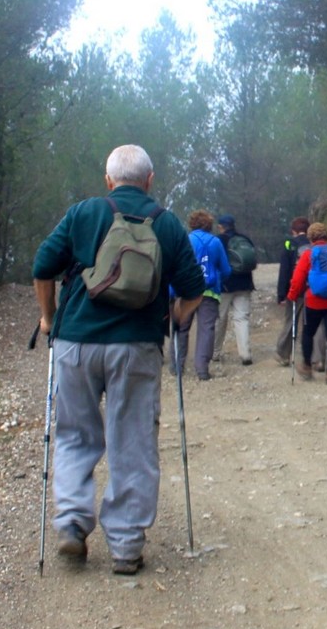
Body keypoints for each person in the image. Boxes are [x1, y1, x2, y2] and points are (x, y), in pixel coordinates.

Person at [32, 144, 205, 575]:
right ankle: (126, 545)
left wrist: (48, 318)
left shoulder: (84, 212)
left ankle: (72, 523)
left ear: (108, 180)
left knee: (75, 433)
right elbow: (194, 289)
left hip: (76, 341)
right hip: (137, 346)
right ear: (150, 180)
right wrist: (175, 317)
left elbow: (42, 266)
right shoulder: (166, 222)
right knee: (133, 440)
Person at [286, 222, 327, 384]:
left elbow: (298, 278)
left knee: (308, 333)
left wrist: (292, 295)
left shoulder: (309, 254)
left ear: (310, 238)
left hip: (314, 302)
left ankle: (307, 366)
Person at [173, 209, 229, 381]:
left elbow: (175, 266)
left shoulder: (184, 240)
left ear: (192, 224)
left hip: (186, 291)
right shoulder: (215, 242)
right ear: (209, 225)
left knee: (181, 328)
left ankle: (177, 366)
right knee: (206, 329)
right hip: (209, 292)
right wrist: (217, 279)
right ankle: (202, 369)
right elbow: (226, 270)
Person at [214, 214, 256, 366]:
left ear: (221, 227)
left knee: (220, 318)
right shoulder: (245, 239)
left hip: (225, 286)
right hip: (245, 284)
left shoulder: (219, 240)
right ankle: (245, 354)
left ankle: (215, 352)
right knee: (241, 319)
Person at [275, 216, 311, 366]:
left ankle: (283, 354)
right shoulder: (313, 243)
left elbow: (284, 271)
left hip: (295, 289)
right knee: (314, 323)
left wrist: (281, 294)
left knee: (291, 321)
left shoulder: (289, 244)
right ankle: (318, 359)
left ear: (293, 231)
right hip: (313, 289)